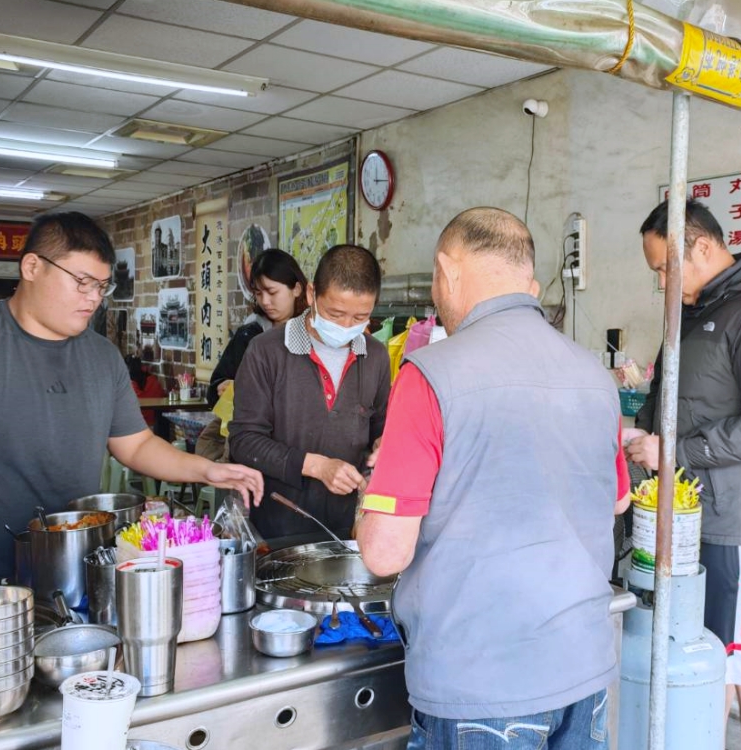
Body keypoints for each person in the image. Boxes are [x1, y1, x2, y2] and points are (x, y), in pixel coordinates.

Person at [358, 208, 630, 749]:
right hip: (584, 670)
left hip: (480, 686)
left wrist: (373, 491)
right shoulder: (595, 376)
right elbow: (618, 500)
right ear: (527, 281)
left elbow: (385, 553)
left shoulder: (430, 373)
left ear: (447, 270)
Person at [0, 212, 263, 586]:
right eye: (82, 282)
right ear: (32, 267)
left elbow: (135, 445)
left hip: (74, 574)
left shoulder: (102, 356)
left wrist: (206, 470)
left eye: (101, 286)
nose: (94, 298)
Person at [626, 199, 741, 750]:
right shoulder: (698, 313)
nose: (661, 283)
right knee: (709, 656)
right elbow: (677, 401)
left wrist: (673, 452)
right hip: (696, 517)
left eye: (666, 268)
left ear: (702, 247)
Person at [229, 244, 390, 539]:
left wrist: (383, 445)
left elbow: (381, 427)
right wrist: (317, 466)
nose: (346, 326)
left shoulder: (376, 356)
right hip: (280, 526)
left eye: (359, 317)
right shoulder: (266, 351)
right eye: (335, 313)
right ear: (311, 293)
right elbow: (244, 441)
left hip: (349, 528)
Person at [206, 249, 309, 407]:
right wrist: (221, 387)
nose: (265, 301)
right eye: (258, 293)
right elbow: (214, 389)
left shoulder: (313, 333)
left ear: (296, 289)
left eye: (272, 292)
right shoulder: (248, 335)